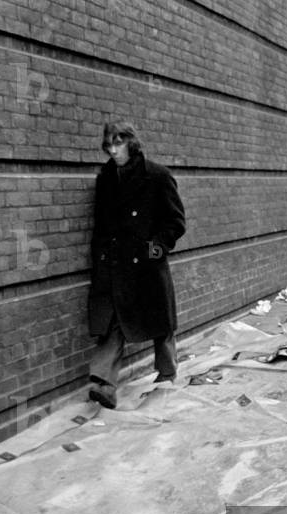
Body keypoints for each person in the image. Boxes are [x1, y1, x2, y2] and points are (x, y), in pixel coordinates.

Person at [87, 122, 186, 410]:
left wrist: (155, 248)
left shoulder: (157, 176)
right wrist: (99, 260)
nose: (113, 150)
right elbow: (101, 225)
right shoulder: (105, 178)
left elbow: (175, 222)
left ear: (132, 143)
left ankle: (167, 373)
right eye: (109, 144)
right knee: (113, 322)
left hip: (146, 264)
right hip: (116, 264)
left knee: (160, 321)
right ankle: (103, 383)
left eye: (118, 143)